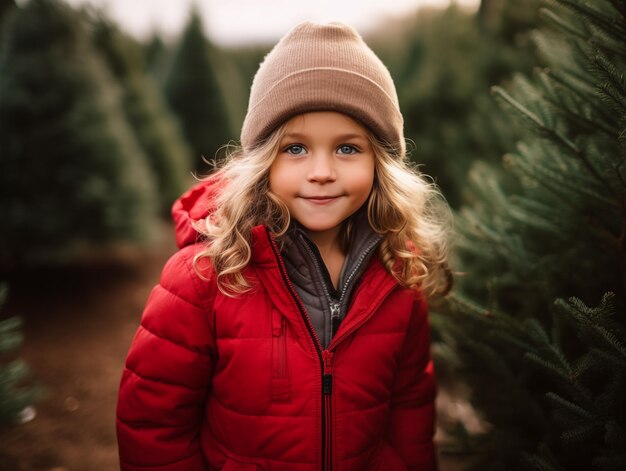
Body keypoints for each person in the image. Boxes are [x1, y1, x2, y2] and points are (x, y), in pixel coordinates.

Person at [116, 21, 452, 471]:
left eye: (348, 149)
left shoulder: (397, 273)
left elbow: (409, 413)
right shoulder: (204, 278)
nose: (321, 171)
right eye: (295, 149)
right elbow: (154, 427)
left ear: (381, 163)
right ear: (263, 161)